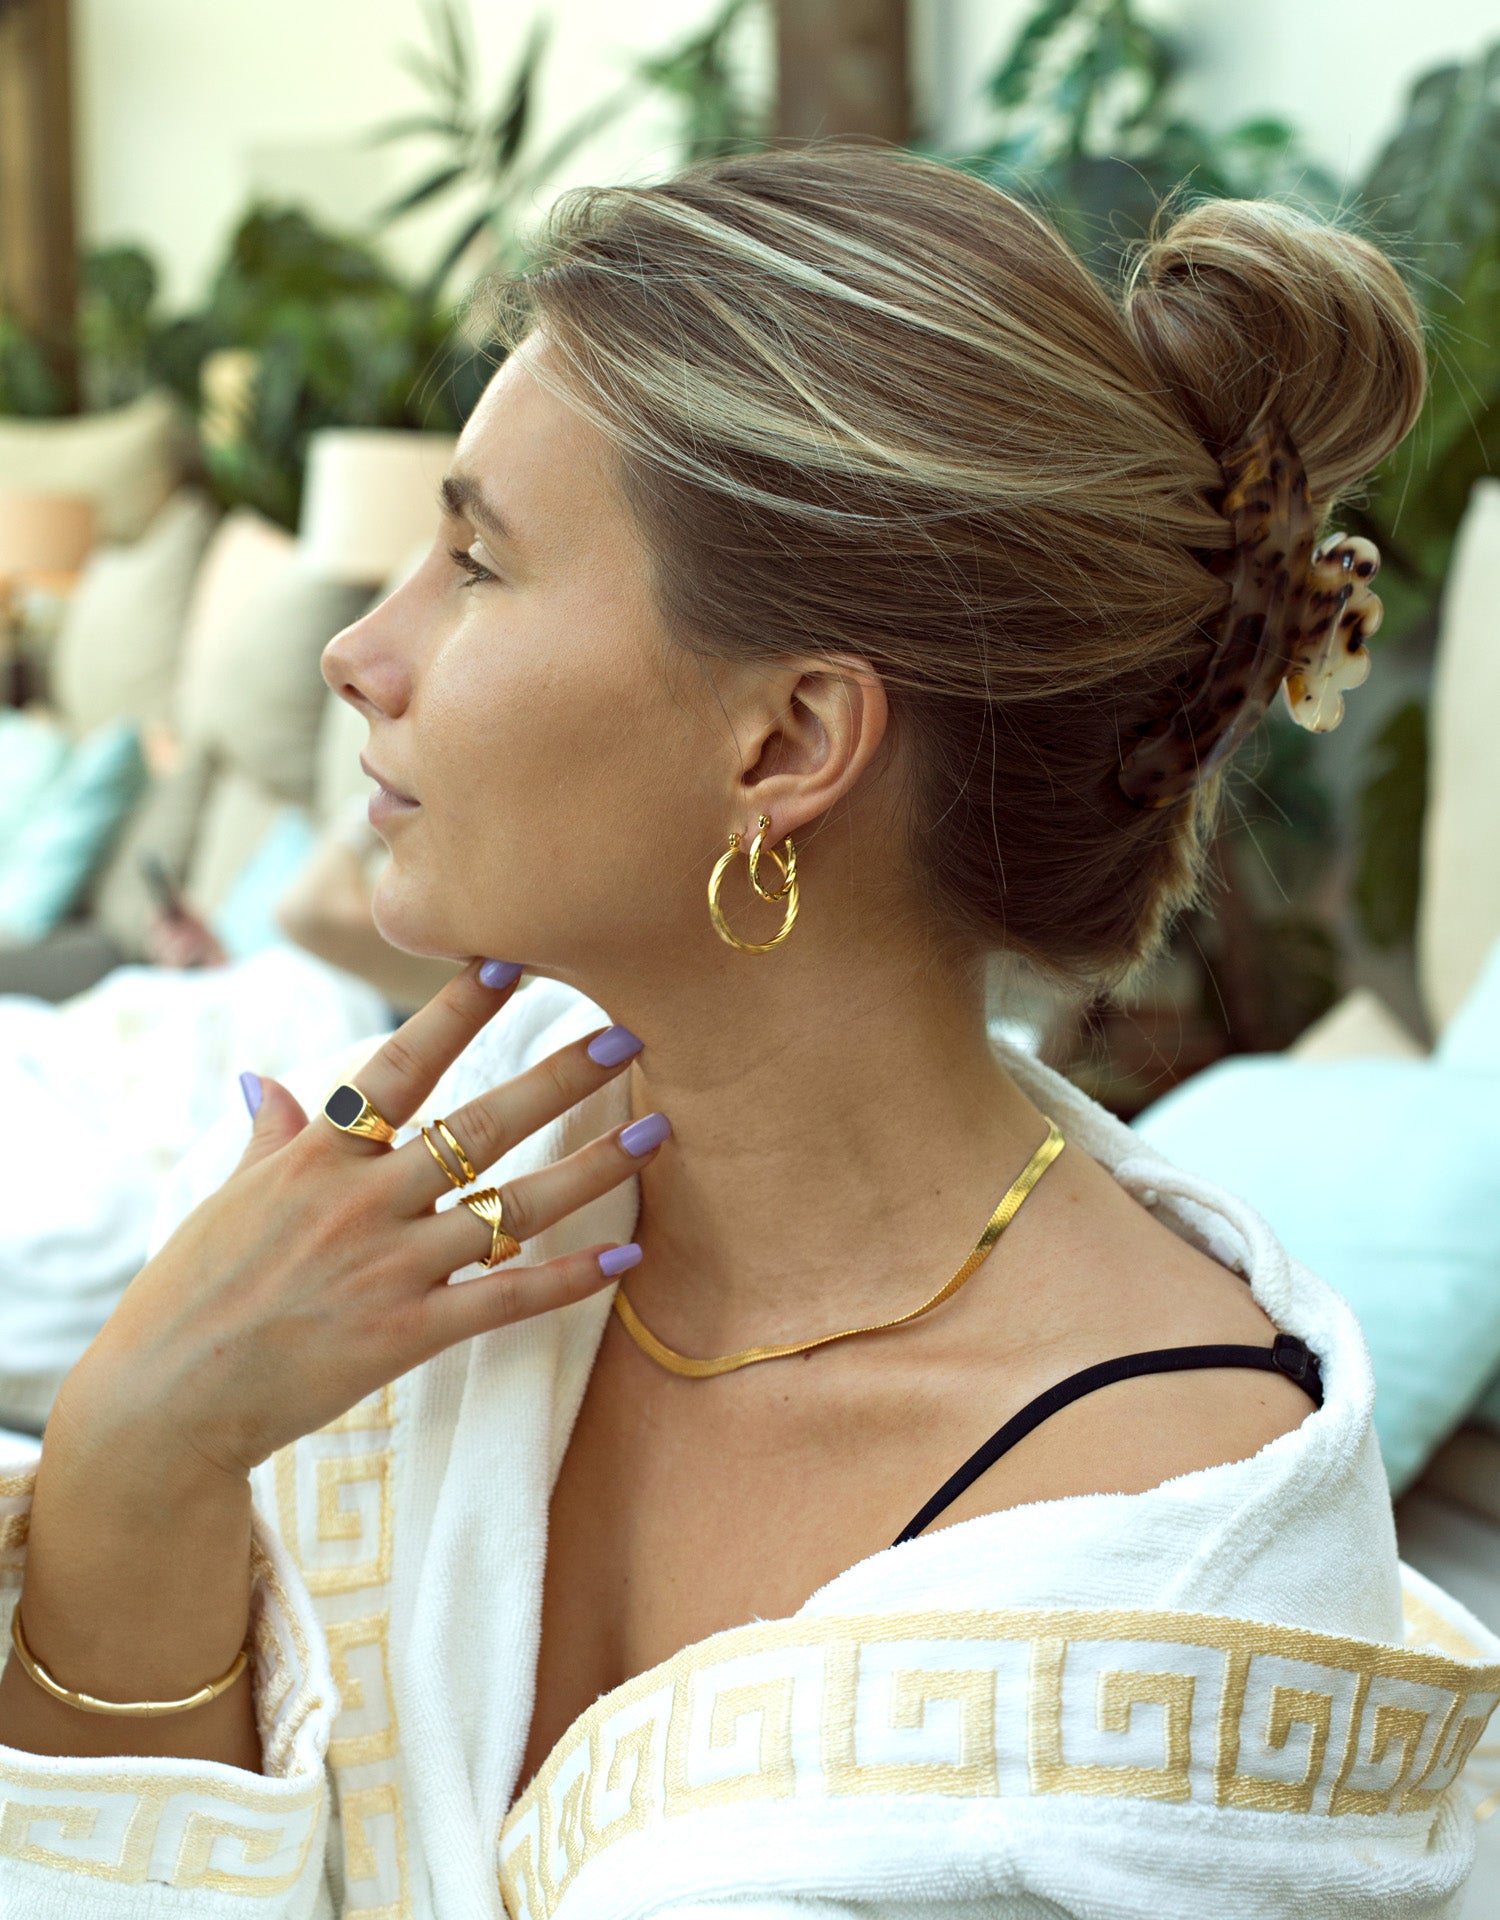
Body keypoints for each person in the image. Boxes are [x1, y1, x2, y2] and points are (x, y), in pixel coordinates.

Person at [0, 147, 1494, 1920]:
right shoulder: (432, 1202)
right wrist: (139, 1452)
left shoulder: (1172, 1606)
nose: (360, 652)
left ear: (787, 744)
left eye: (475, 563)